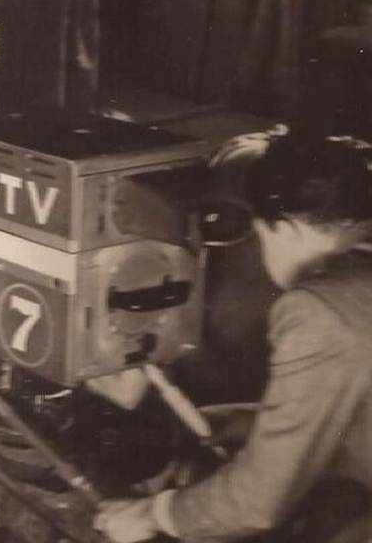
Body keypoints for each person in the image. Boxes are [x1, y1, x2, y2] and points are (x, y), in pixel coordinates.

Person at [95, 130, 372, 543]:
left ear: (280, 227)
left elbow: (257, 505)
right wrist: (257, 419)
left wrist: (155, 514)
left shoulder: (318, 310)